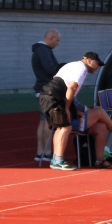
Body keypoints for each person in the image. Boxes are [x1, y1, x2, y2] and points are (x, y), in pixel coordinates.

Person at [38, 52, 102, 170]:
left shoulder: (74, 65)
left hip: (51, 96)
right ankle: (58, 160)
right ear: (89, 60)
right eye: (97, 63)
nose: (98, 67)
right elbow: (71, 88)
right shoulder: (81, 68)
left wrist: (73, 110)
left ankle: (56, 160)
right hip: (53, 97)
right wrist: (67, 108)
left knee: (61, 127)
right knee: (65, 127)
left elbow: (67, 90)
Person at [31, 29, 62, 163]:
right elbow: (50, 69)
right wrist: (63, 68)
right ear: (51, 38)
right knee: (48, 122)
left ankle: (40, 152)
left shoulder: (40, 50)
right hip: (47, 90)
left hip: (42, 89)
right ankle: (47, 152)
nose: (58, 43)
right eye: (57, 40)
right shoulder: (43, 50)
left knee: (43, 120)